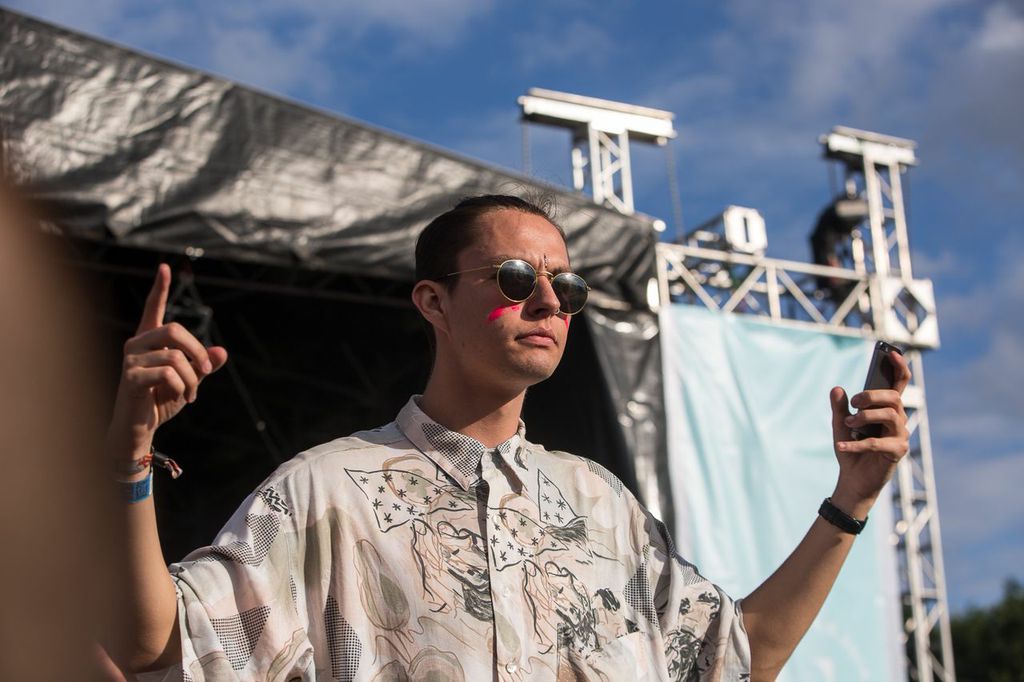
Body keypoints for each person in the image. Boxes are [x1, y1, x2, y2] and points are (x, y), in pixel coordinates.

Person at [110, 195, 910, 680]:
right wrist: (128, 458)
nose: (550, 304)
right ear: (434, 302)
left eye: (568, 286)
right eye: (518, 280)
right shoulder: (325, 491)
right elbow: (160, 647)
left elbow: (739, 658)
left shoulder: (603, 507)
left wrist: (851, 501)